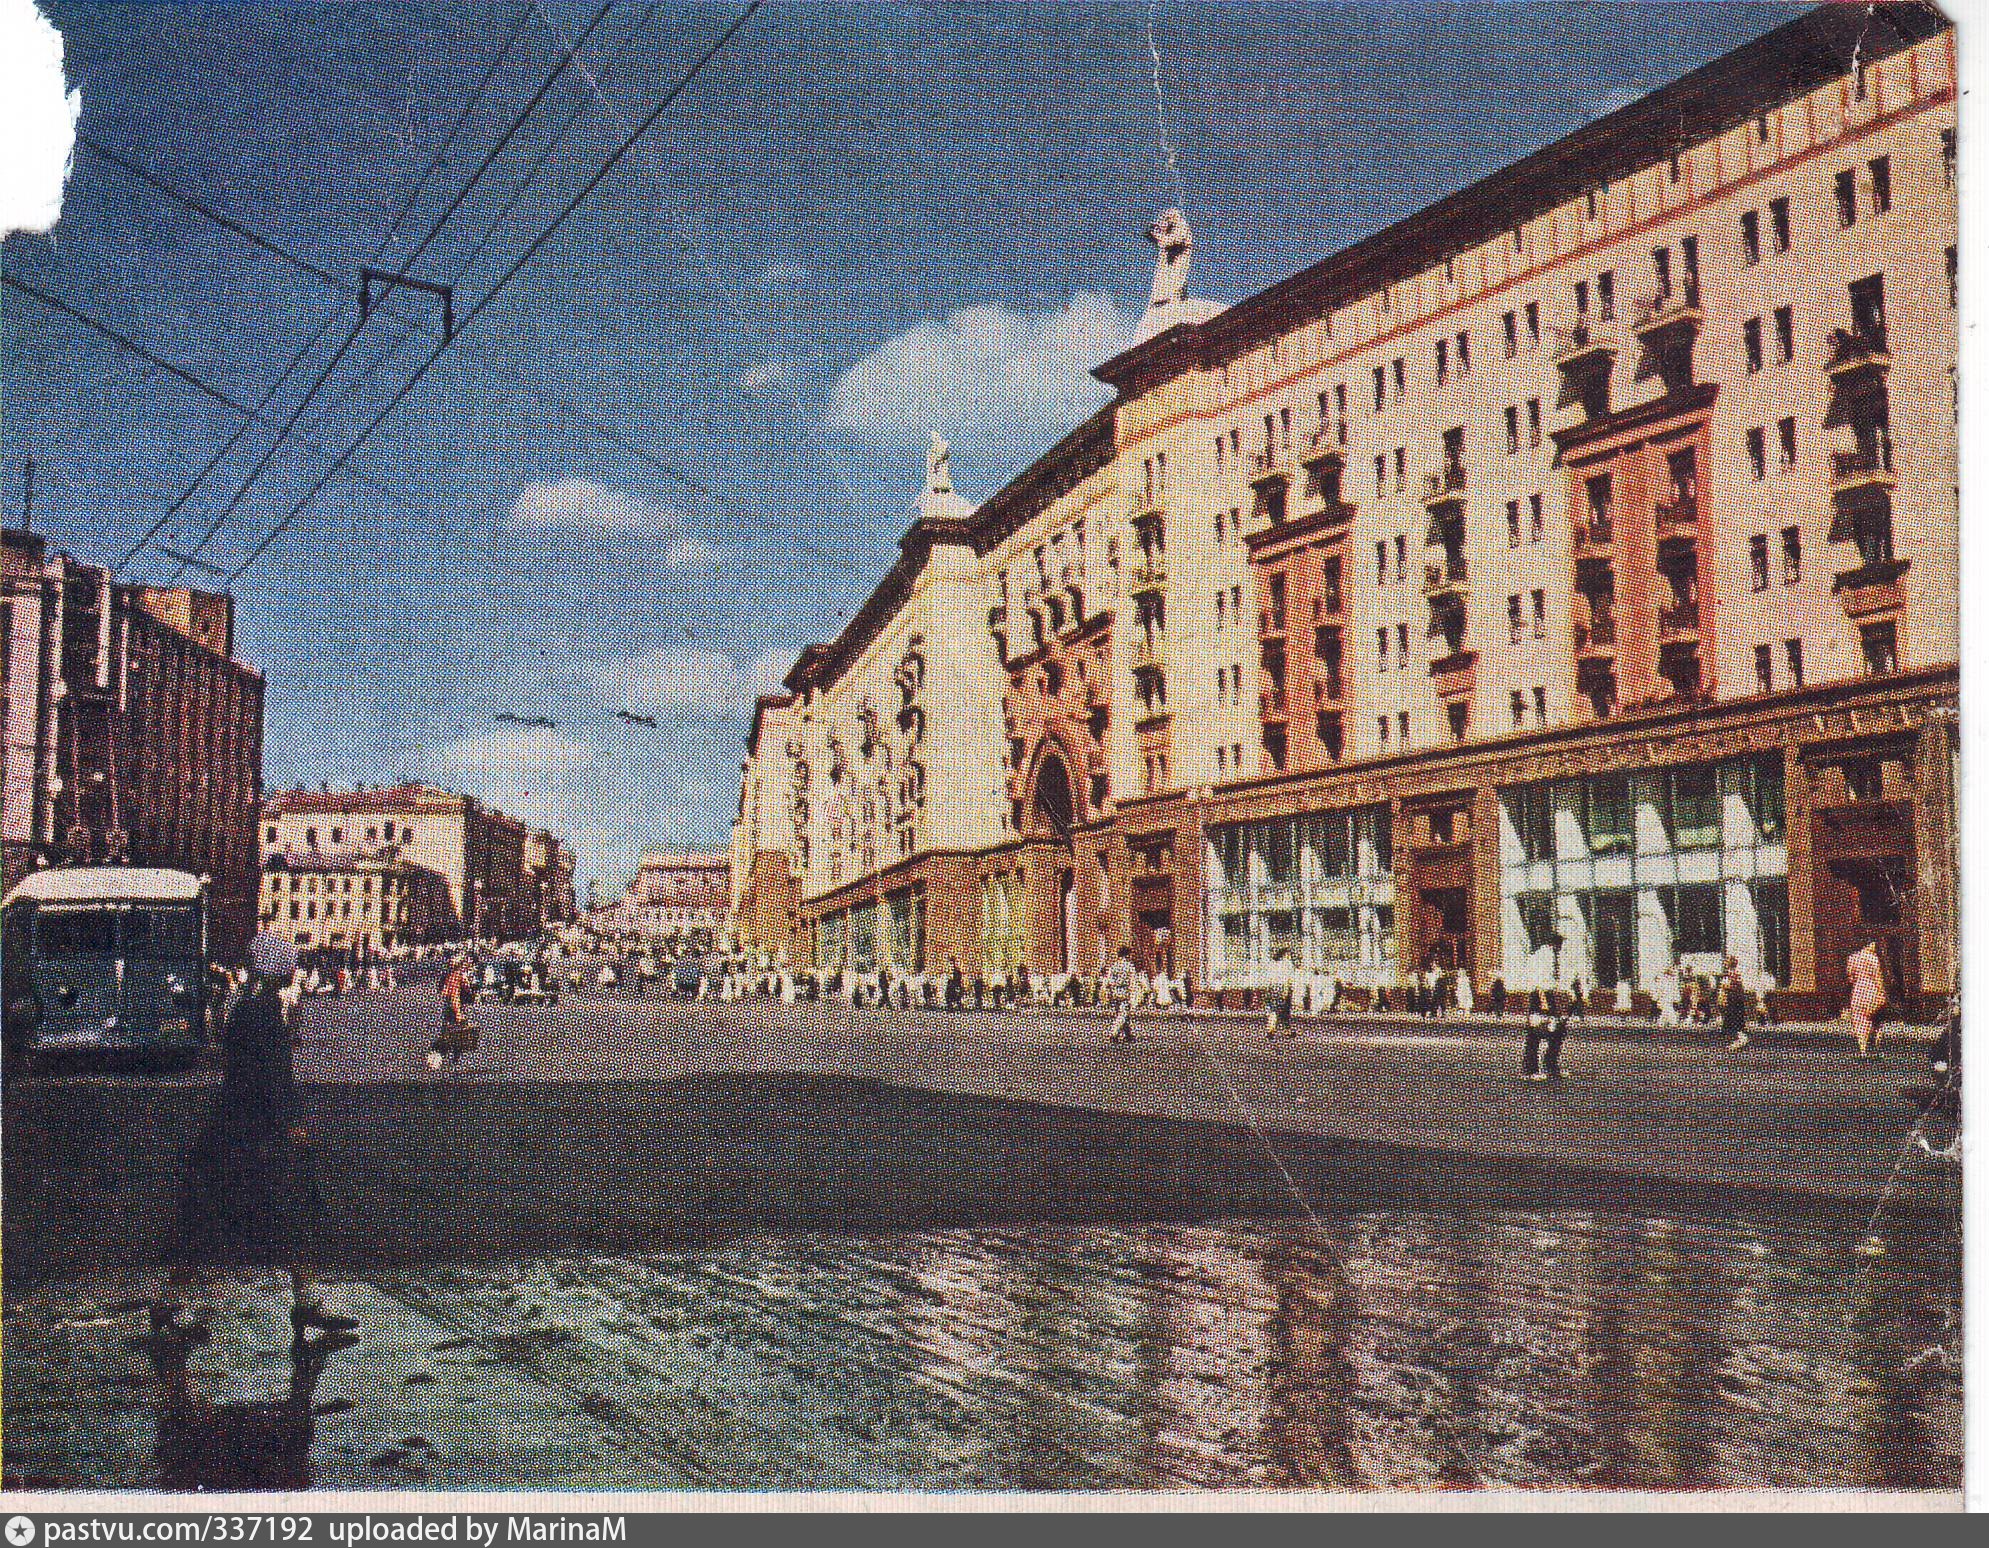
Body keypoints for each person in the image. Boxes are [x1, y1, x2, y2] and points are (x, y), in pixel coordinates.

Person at [160, 934, 357, 1352]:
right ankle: (300, 1303)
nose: (293, 967)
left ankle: (177, 1303)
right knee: (284, 1210)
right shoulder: (265, 1011)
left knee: (217, 1215)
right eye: (288, 961)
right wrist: (291, 1123)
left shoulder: (246, 1004)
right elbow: (272, 1077)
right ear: (277, 967)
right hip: (255, 1133)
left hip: (236, 1126)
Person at [431, 955, 475, 1068]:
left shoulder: (448, 976)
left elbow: (443, 991)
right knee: (455, 1032)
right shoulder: (458, 976)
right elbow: (463, 993)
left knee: (450, 1031)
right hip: (455, 1007)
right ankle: (446, 1055)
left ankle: (447, 1055)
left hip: (451, 1007)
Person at [1846, 940, 1887, 1060]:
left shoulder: (1852, 958)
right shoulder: (1873, 959)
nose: (1875, 947)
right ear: (1868, 944)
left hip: (1858, 990)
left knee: (1859, 1020)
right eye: (1874, 944)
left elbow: (1850, 977)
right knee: (1876, 1020)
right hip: (1871, 989)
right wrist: (1882, 994)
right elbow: (1878, 978)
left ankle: (1862, 1049)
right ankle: (1876, 1047)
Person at [1522, 984, 1566, 1081]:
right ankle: (1531, 1070)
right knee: (1533, 1040)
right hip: (1537, 1015)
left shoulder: (1549, 991)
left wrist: (1555, 1018)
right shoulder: (1535, 990)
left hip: (1547, 1014)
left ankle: (1550, 1066)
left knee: (1558, 1035)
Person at [1103, 947, 1139, 1042]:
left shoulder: (1114, 966)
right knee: (1122, 1014)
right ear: (1127, 955)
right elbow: (1133, 982)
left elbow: (1108, 981)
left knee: (1122, 1013)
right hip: (1125, 991)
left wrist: (1109, 992)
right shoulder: (1129, 966)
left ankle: (1128, 1034)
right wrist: (1133, 996)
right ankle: (1113, 1033)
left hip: (1115, 991)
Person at [1719, 954, 1751, 1052]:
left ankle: (1742, 1038)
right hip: (1732, 1000)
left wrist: (1725, 987)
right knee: (1730, 1022)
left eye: (1726, 961)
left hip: (1734, 1001)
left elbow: (1737, 987)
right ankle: (1738, 1039)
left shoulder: (1734, 974)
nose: (1724, 963)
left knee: (1734, 1021)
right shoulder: (1730, 974)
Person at [1264, 948, 1297, 1038]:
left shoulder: (1272, 964)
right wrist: (1287, 991)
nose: (1290, 957)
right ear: (1285, 955)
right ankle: (1287, 1030)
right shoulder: (1288, 964)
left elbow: (1268, 978)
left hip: (1272, 988)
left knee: (1273, 1009)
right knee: (1285, 1010)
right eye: (1289, 955)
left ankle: (1271, 1028)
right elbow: (1289, 978)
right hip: (1283, 987)